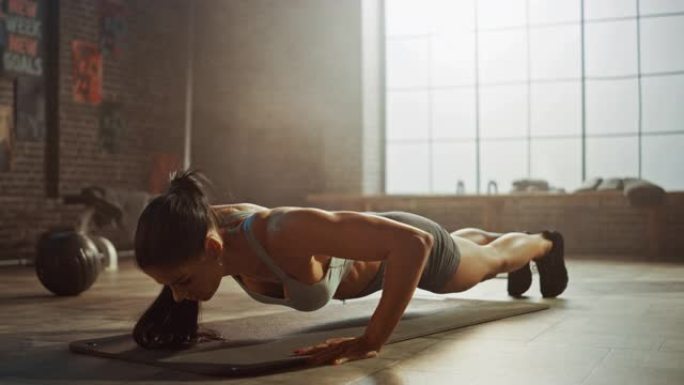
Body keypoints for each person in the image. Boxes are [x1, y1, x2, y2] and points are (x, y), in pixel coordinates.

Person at [133, 170, 568, 365]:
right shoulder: (204, 225)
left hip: (411, 247)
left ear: (212, 248)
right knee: (466, 246)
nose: (177, 294)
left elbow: (412, 244)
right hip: (389, 235)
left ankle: (544, 243)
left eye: (182, 282)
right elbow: (178, 258)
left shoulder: (280, 230)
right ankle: (473, 240)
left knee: (489, 264)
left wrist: (372, 339)